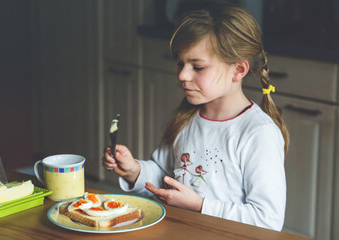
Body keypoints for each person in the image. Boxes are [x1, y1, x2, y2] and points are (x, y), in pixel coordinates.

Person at [102, 4, 289, 231]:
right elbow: (164, 175)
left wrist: (199, 205)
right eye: (181, 63)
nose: (182, 75)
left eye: (197, 67)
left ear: (238, 70)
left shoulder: (259, 134)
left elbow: (267, 220)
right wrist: (134, 171)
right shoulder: (188, 118)